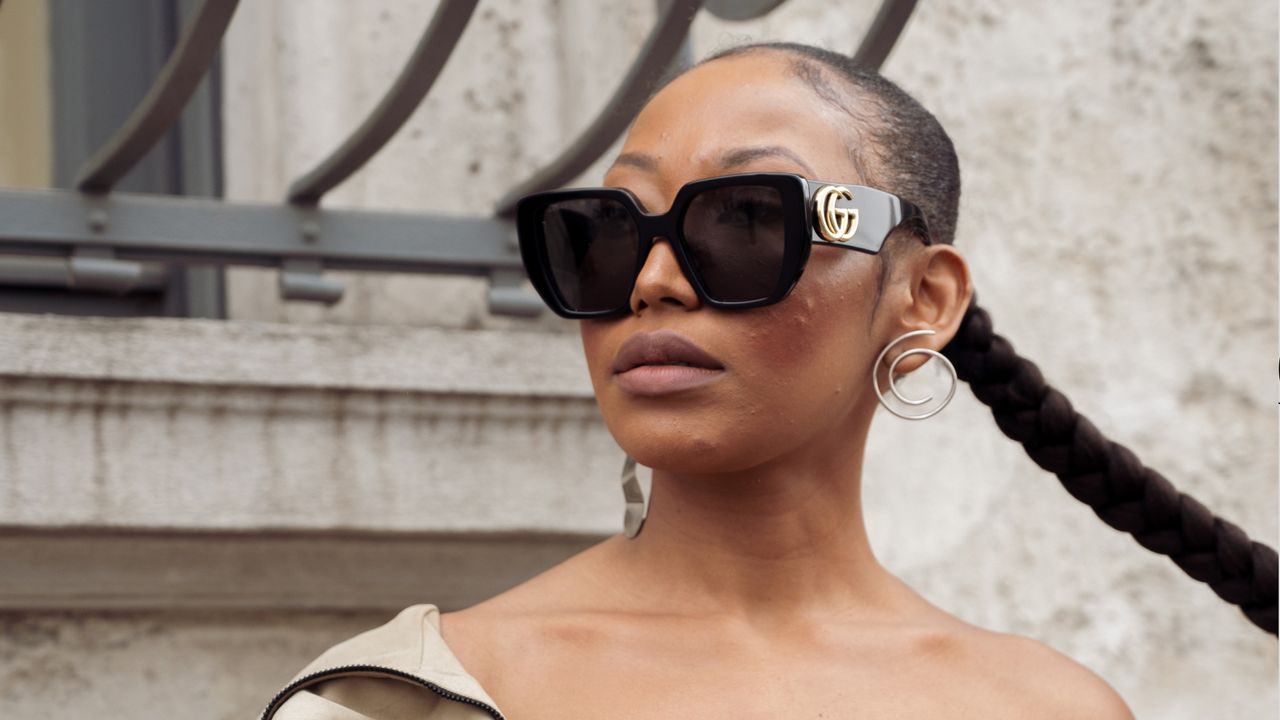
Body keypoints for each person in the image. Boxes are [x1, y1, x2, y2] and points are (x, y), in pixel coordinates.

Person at [261, 41, 1147, 720]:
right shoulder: (411, 697)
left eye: (745, 221)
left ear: (922, 297)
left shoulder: (1048, 706)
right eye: (603, 233)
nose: (652, 282)